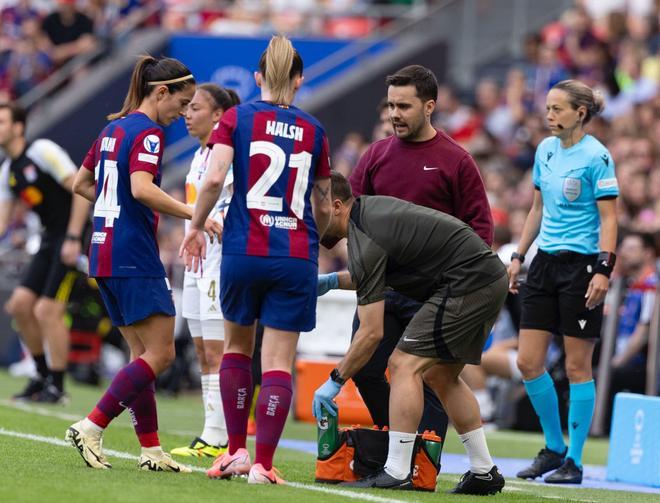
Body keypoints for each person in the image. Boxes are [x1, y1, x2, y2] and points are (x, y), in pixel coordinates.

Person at [179, 35, 332, 485]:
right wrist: (310, 241)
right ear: (300, 80)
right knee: (278, 362)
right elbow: (323, 204)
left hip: (245, 249)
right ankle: (263, 465)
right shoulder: (315, 129)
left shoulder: (235, 118)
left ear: (257, 77)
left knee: (236, 351)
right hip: (294, 254)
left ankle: (234, 453)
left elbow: (213, 180)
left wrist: (194, 225)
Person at [65, 55, 222, 473]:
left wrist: (109, 209)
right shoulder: (149, 134)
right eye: (182, 102)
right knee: (163, 354)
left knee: (141, 354)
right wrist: (196, 214)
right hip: (133, 254)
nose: (183, 113)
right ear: (161, 92)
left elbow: (80, 183)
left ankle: (151, 450)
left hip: (102, 251)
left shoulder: (111, 128)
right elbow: (141, 188)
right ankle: (92, 425)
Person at [314, 172, 507, 495]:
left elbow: (372, 332)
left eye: (312, 209)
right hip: (483, 279)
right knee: (441, 375)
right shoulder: (367, 217)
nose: (308, 218)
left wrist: (334, 380)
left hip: (467, 282)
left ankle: (398, 469)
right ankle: (484, 471)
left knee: (403, 363)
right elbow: (373, 272)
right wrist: (332, 281)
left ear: (335, 206)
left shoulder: (365, 232)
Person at [334, 64, 493, 448]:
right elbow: (349, 220)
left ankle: (426, 450)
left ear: (429, 106)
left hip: (434, 294)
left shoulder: (457, 160)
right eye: (390, 105)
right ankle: (399, 443)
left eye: (404, 106)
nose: (394, 114)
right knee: (366, 366)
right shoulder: (375, 156)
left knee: (428, 372)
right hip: (384, 289)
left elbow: (480, 231)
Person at [508, 80, 618, 484]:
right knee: (527, 361)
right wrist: (519, 256)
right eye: (548, 109)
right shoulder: (545, 151)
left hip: (583, 268)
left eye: (557, 109)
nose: (548, 116)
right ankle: (553, 447)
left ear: (580, 114)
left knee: (576, 365)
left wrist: (604, 270)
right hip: (544, 264)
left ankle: (573, 459)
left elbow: (610, 219)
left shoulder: (598, 157)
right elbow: (536, 208)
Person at [0, 102, 90, 404]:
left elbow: (80, 188)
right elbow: (2, 222)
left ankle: (58, 386)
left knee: (47, 311)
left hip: (74, 234)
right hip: (50, 238)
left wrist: (75, 236)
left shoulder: (42, 151)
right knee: (20, 306)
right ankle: (40, 377)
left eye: (1, 121)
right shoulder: (8, 171)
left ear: (18, 127)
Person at [170, 84, 239, 459]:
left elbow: (234, 205)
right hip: (196, 261)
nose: (186, 113)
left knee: (217, 349)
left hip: (219, 260)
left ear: (218, 115)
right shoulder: (199, 155)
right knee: (200, 348)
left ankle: (221, 436)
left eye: (195, 108)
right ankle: (211, 432)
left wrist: (215, 222)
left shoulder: (227, 155)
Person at [605, 231, 657, 430]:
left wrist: (617, 362)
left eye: (632, 249)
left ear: (647, 253)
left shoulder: (652, 285)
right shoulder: (626, 283)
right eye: (623, 248)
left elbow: (644, 332)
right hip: (619, 352)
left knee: (606, 375)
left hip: (639, 362)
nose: (624, 253)